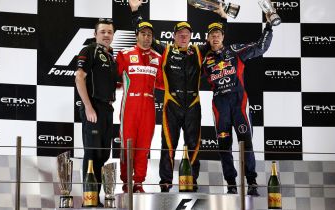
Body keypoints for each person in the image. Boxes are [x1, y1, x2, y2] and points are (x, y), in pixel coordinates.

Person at [128, 0, 226, 193]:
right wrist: (134, 11)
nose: (183, 36)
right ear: (174, 36)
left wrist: (222, 16)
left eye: (187, 34)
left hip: (193, 105)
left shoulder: (198, 51)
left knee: (194, 146)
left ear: (190, 37)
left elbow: (217, 37)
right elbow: (144, 36)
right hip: (171, 104)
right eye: (180, 34)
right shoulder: (165, 50)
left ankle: (191, 180)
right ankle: (165, 182)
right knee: (168, 145)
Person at [202, 12, 273, 196]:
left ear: (223, 36)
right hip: (220, 108)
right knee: (224, 146)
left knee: (246, 144)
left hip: (239, 105)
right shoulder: (203, 59)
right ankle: (231, 184)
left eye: (218, 34)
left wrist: (269, 27)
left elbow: (260, 47)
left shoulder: (234, 50)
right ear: (208, 38)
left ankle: (252, 182)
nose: (215, 37)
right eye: (212, 35)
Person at [116, 21, 164, 193]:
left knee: (144, 146)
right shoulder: (124, 54)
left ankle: (138, 182)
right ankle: (126, 181)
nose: (146, 37)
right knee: (127, 145)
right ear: (136, 35)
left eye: (149, 35)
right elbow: (114, 80)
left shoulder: (158, 58)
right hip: (129, 105)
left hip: (149, 106)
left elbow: (162, 84)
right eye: (143, 34)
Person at [75, 18, 118, 206]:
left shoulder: (110, 55)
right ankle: (89, 200)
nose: (106, 35)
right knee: (91, 153)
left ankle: (97, 199)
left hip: (107, 109)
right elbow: (79, 77)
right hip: (93, 108)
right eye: (103, 31)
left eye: (109, 32)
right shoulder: (89, 50)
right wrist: (88, 107)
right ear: (95, 34)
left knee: (103, 154)